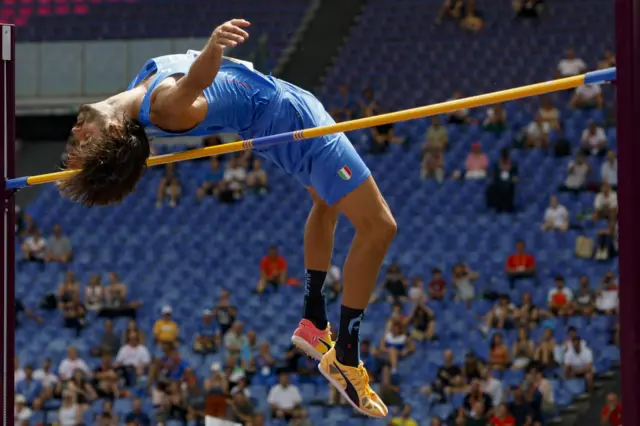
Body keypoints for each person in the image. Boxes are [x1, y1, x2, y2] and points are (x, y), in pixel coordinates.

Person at [58, 18, 393, 418]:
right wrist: (213, 47)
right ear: (113, 131)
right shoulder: (163, 103)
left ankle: (314, 322)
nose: (77, 131)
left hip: (280, 115)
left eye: (79, 137)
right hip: (291, 123)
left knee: (326, 204)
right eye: (86, 139)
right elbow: (191, 87)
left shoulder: (141, 87)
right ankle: (347, 357)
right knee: (379, 227)